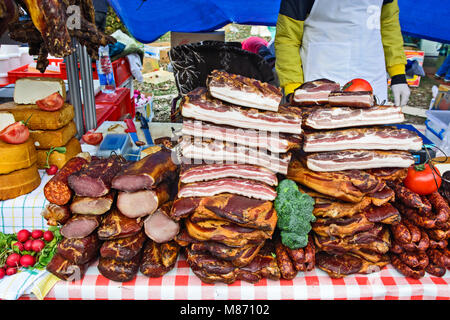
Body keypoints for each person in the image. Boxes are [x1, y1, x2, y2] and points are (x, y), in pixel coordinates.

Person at [275, 0, 410, 106]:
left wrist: (398, 75)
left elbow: (389, 26)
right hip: (319, 85)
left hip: (371, 78)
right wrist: (292, 89)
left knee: (372, 137)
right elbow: (287, 38)